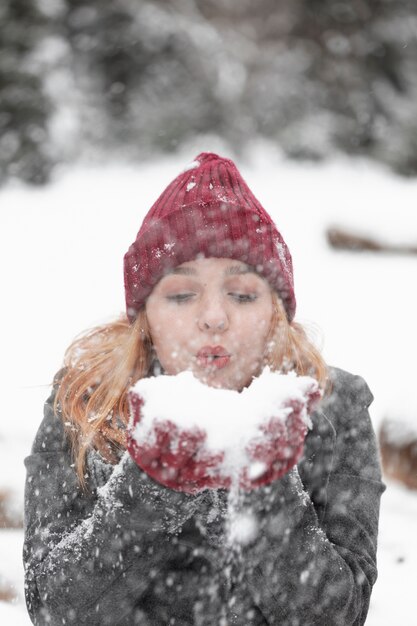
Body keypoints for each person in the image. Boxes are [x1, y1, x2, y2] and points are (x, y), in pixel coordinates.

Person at [23, 152, 385, 626]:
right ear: (145, 316)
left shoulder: (333, 405)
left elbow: (339, 615)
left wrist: (264, 485)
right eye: (181, 295)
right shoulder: (85, 401)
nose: (214, 317)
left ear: (275, 311)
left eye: (241, 294)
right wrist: (148, 490)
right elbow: (54, 609)